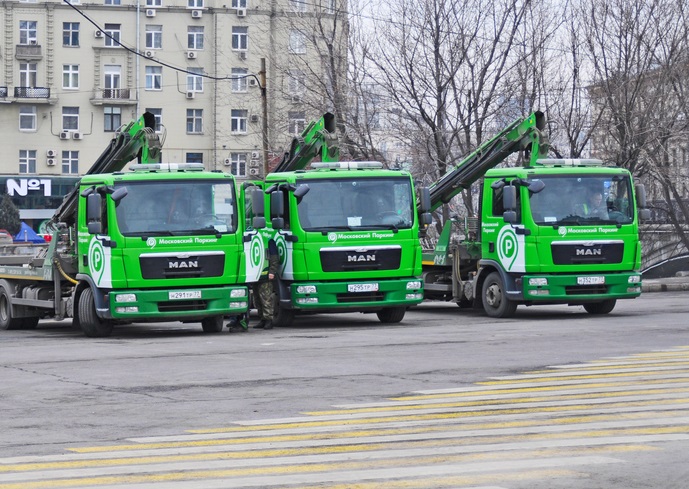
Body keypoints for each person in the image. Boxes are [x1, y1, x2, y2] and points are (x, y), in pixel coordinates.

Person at [252, 238, 279, 330]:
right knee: (257, 299)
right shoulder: (252, 239)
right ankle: (262, 319)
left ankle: (269, 320)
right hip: (255, 276)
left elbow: (274, 257)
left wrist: (272, 271)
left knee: (266, 299)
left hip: (265, 275)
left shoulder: (268, 241)